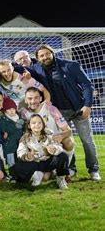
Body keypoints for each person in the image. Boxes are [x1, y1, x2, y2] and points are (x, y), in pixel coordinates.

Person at [27, 44, 100, 180]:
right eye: (41, 56)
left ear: (53, 53)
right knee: (64, 141)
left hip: (78, 109)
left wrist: (88, 105)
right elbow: (19, 68)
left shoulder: (70, 65)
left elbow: (87, 84)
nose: (45, 57)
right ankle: (70, 169)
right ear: (37, 59)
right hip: (59, 112)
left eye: (47, 54)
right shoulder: (36, 69)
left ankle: (93, 169)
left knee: (87, 140)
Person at [14, 114, 70, 189]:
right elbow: (20, 153)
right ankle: (35, 176)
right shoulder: (24, 138)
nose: (37, 125)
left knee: (63, 156)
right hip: (34, 162)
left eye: (39, 122)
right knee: (17, 166)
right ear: (29, 126)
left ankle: (60, 179)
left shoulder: (49, 133)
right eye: (33, 123)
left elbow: (59, 146)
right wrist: (28, 155)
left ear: (43, 124)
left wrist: (53, 149)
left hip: (48, 162)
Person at [0, 97, 25, 175]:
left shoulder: (19, 117)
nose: (12, 111)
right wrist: (4, 132)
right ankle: (12, 173)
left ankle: (20, 172)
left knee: (19, 156)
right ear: (5, 110)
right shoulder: (4, 119)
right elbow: (2, 128)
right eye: (9, 109)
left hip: (19, 140)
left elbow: (22, 127)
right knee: (10, 158)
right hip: (9, 142)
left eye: (13, 109)